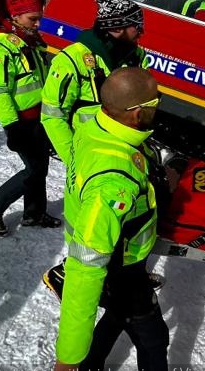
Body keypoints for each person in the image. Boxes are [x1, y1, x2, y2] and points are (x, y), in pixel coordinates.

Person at [53, 68, 168, 371]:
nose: (159, 107)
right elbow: (84, 269)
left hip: (124, 263)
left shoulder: (91, 121)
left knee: (119, 314)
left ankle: (92, 363)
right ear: (136, 113)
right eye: (156, 103)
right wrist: (68, 358)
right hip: (121, 268)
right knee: (154, 339)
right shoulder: (114, 186)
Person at [0, 0, 61, 236]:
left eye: (39, 19)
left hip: (39, 117)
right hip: (21, 120)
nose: (38, 24)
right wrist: (13, 126)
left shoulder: (29, 41)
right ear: (15, 16)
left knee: (40, 166)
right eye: (33, 19)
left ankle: (34, 214)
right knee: (33, 169)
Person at [41, 0, 146, 165]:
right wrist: (75, 161)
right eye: (137, 25)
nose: (141, 31)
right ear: (118, 28)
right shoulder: (72, 59)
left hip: (124, 151)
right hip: (89, 154)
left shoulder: (137, 57)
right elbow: (52, 115)